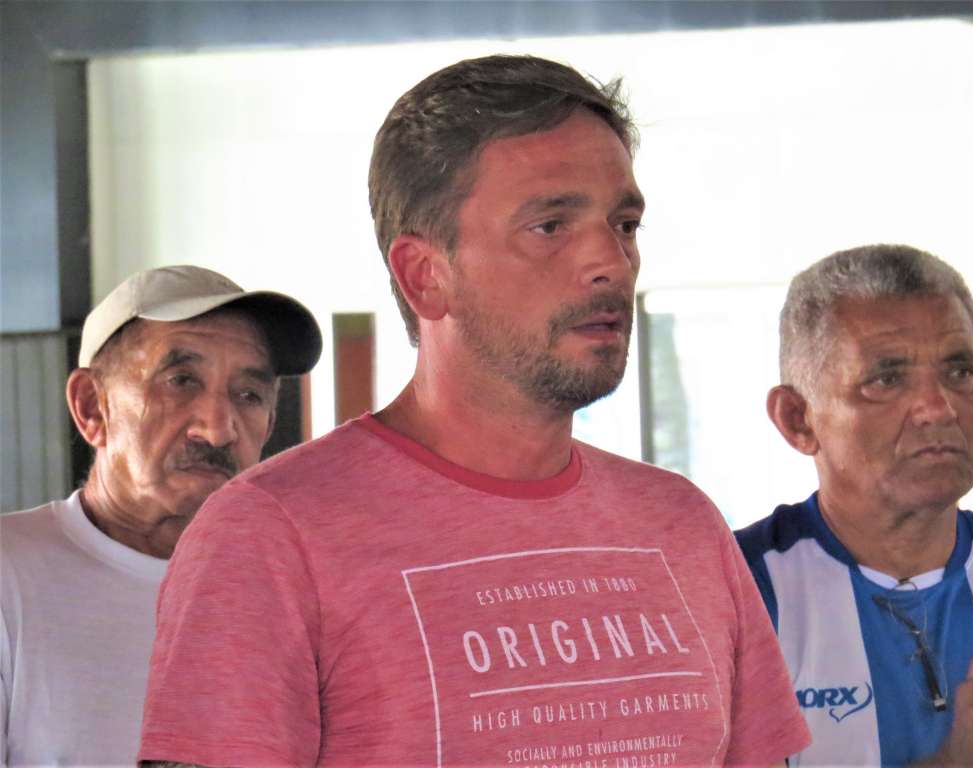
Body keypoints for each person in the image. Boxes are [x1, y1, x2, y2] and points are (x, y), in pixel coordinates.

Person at [138, 55, 809, 766]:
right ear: (425, 276)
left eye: (625, 222)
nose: (610, 261)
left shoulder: (683, 527)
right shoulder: (269, 537)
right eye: (551, 225)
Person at [0, 265, 321, 766]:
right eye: (181, 381)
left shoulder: (303, 593)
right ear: (92, 407)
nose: (217, 430)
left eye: (248, 395)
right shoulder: (11, 576)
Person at [736, 244, 973, 767]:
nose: (938, 408)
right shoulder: (736, 593)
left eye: (960, 373)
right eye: (886, 380)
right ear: (798, 419)